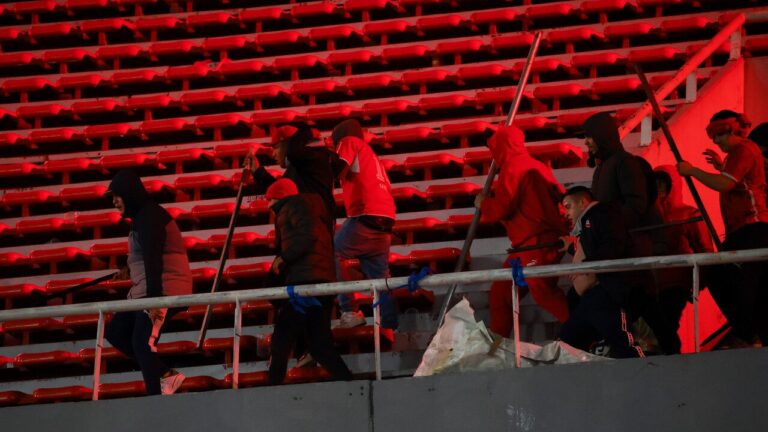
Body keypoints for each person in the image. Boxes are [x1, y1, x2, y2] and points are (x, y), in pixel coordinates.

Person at [581, 112, 679, 354]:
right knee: (637, 302)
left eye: (589, 136)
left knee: (639, 300)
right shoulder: (603, 168)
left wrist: (608, 229)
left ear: (602, 136)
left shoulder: (625, 163)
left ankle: (659, 347)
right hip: (618, 248)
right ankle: (656, 347)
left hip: (630, 248)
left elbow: (636, 205)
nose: (586, 142)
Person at [677, 109, 768, 347]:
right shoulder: (738, 154)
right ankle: (751, 333)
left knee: (737, 283)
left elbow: (726, 184)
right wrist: (720, 167)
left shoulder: (744, 150)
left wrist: (693, 171)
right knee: (736, 282)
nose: (716, 141)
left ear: (732, 130)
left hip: (752, 230)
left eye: (719, 135)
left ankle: (747, 332)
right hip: (744, 231)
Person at [474, 125, 570, 337]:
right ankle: (498, 342)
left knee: (544, 293)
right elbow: (562, 196)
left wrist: (484, 203)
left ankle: (586, 333)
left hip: (535, 241)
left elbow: (502, 207)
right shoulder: (537, 165)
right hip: (533, 242)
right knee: (501, 293)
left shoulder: (512, 167)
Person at [104, 170, 192, 395]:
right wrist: (129, 271)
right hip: (146, 291)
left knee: (142, 342)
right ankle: (165, 375)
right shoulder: (143, 217)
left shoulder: (149, 218)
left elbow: (154, 260)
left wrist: (154, 300)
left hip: (162, 291)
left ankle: (154, 396)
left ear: (129, 193)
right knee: (116, 332)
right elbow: (148, 257)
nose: (114, 202)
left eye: (117, 196)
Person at [264, 178, 353, 385]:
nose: (268, 206)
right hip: (320, 281)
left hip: (304, 285)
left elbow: (306, 237)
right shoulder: (312, 208)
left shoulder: (291, 207)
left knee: (281, 340)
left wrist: (284, 258)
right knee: (319, 344)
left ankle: (271, 389)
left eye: (269, 200)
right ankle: (350, 383)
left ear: (278, 198)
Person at [559, 186, 645, 358]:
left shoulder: (601, 214)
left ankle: (645, 368)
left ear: (583, 202)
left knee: (620, 341)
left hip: (604, 292)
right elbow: (595, 248)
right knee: (569, 340)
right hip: (591, 297)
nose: (566, 214)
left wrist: (585, 266)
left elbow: (610, 245)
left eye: (568, 207)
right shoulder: (588, 224)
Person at [330, 119, 398, 329]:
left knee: (331, 252)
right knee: (381, 279)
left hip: (366, 213)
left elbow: (337, 169)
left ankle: (349, 311)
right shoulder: (372, 156)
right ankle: (389, 326)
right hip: (385, 218)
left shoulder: (349, 142)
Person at [653, 166, 714, 336]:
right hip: (652, 283)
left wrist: (699, 282)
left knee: (666, 327)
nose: (659, 188)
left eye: (662, 183)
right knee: (659, 331)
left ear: (671, 185)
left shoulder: (688, 214)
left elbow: (705, 249)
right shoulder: (646, 217)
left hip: (677, 281)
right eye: (655, 183)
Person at [246, 124, 338, 235]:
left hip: (314, 229)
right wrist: (257, 171)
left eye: (276, 147)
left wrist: (302, 133)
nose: (273, 154)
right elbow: (279, 191)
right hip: (311, 228)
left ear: (289, 145)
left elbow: (293, 152)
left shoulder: (312, 160)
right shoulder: (299, 166)